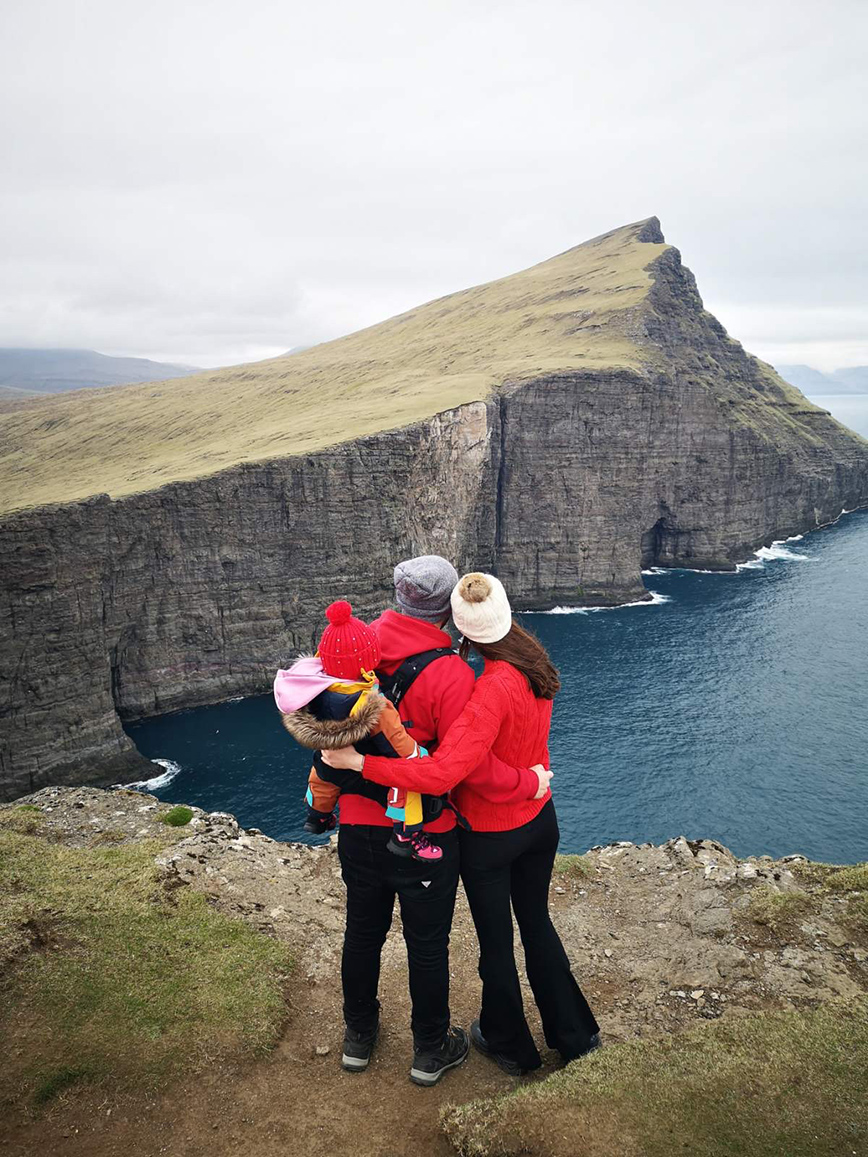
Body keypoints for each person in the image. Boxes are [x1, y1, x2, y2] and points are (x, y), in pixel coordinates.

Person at [323, 571, 600, 1076]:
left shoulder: (364, 654)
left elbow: (454, 768)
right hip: (538, 819)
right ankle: (576, 1036)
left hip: (487, 833)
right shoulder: (533, 660)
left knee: (478, 942)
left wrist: (355, 767)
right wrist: (533, 783)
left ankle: (508, 1043)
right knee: (534, 926)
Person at [297, 557, 542, 1086]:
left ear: (397, 594)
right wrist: (530, 784)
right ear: (447, 609)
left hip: (359, 826)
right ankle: (430, 1049)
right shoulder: (453, 674)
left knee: (362, 933)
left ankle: (358, 1037)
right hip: (425, 835)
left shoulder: (353, 651)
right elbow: (458, 769)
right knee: (426, 945)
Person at [275, 599, 442, 864]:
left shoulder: (312, 689)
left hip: (329, 759)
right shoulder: (373, 705)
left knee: (321, 776)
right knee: (407, 783)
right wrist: (418, 755)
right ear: (369, 660)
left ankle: (317, 817)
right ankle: (406, 837)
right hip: (366, 763)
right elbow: (397, 741)